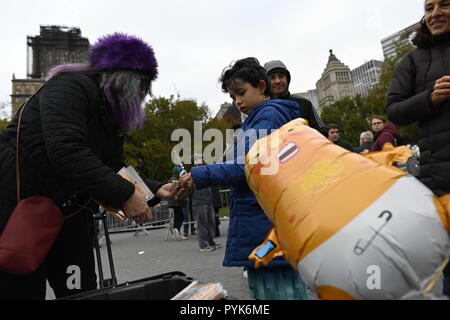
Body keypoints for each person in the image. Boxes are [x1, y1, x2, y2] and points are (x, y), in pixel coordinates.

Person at [0, 33, 183, 300]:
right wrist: (124, 195)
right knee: (21, 289)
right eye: (142, 83)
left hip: (70, 214)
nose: (144, 93)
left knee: (81, 289)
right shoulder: (69, 86)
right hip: (20, 210)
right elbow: (67, 150)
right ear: (121, 76)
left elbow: (113, 165)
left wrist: (153, 191)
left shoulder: (111, 114)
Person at [179, 58, 308, 300]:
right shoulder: (258, 120)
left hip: (265, 220)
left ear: (261, 86)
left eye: (241, 93)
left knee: (277, 291)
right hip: (263, 218)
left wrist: (199, 175)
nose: (237, 101)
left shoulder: (268, 116)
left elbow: (250, 165)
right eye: (232, 97)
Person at [385, 0, 450, 298]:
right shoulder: (412, 61)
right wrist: (430, 97)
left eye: (445, 5)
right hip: (442, 177)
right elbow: (394, 110)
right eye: (429, 7)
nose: (436, 12)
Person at [264, 60, 324, 131]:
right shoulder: (262, 108)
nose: (277, 81)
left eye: (281, 76)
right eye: (272, 78)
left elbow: (322, 132)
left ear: (287, 79)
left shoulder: (304, 103)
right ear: (266, 83)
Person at [190, 154, 220, 252]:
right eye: (199, 158)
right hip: (199, 201)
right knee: (202, 223)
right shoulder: (192, 173)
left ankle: (211, 241)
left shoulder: (205, 170)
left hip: (208, 200)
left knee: (211, 222)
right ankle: (203, 245)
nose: (201, 160)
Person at [167, 166, 187, 240]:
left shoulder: (172, 179)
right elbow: (175, 190)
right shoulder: (175, 180)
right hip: (176, 201)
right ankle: (176, 231)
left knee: (178, 217)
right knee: (180, 217)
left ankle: (176, 232)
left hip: (174, 201)